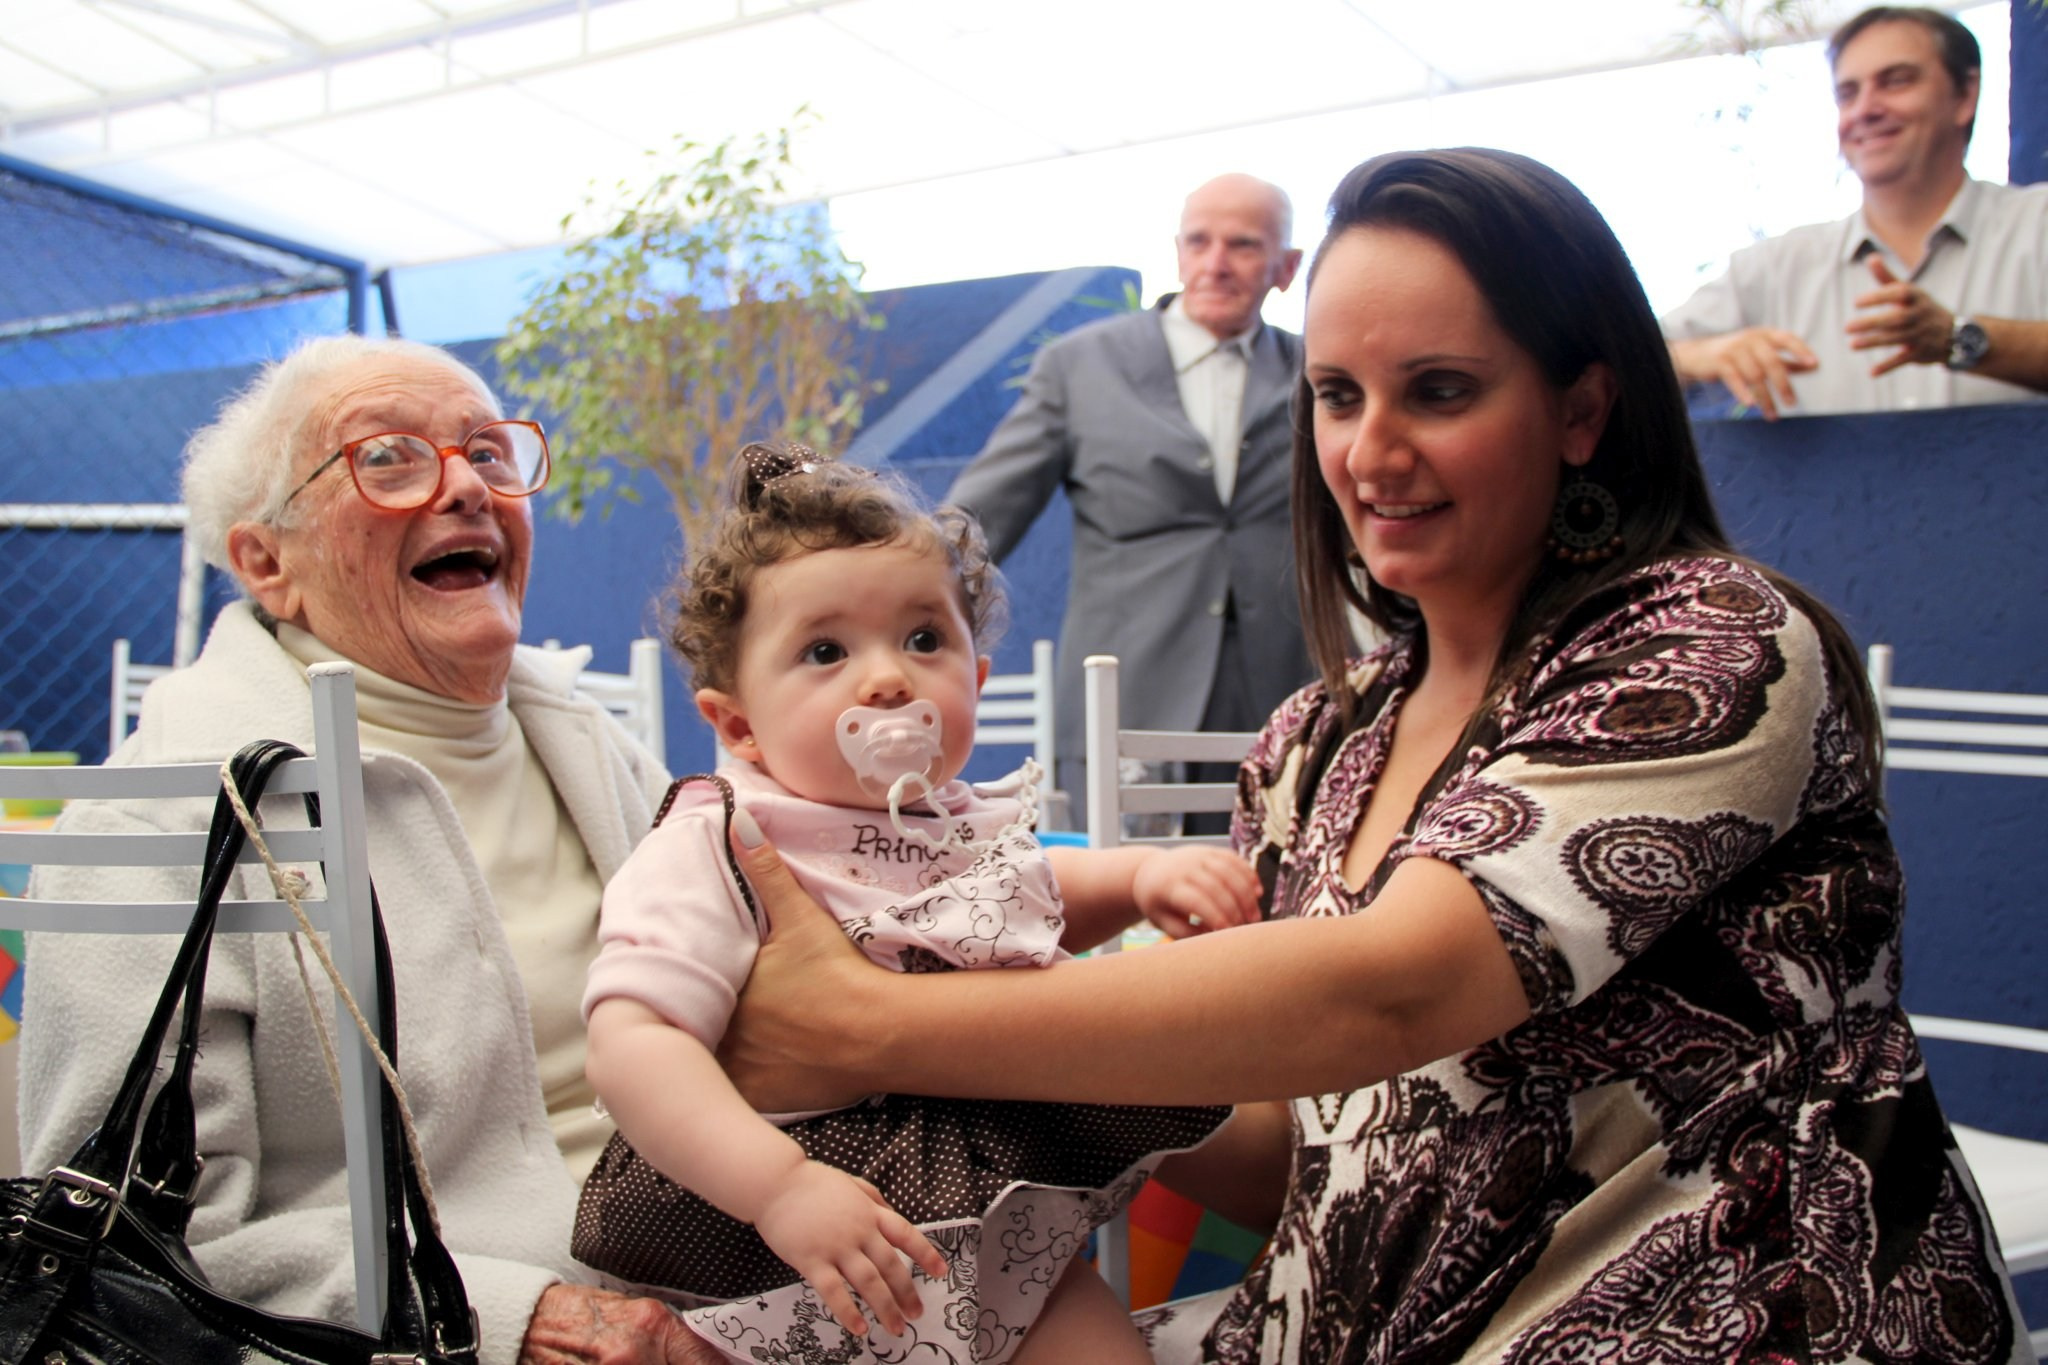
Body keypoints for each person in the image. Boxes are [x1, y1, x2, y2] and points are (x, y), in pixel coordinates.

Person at [709, 149, 2032, 1363]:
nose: (1370, 451)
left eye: (1438, 391)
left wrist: (876, 1028)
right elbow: (1282, 1145)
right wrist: (987, 1028)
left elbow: (1403, 986)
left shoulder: (1708, 642)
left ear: (1581, 408)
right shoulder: (1309, 745)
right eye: (1337, 395)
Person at [17, 334, 729, 1365]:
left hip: (726, 1272)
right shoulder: (170, 817)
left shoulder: (588, 744)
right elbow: (134, 1244)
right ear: (267, 562)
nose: (468, 487)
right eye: (387, 457)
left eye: (487, 452)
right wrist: (514, 1322)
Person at [575, 445, 1261, 1364]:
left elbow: (1025, 901)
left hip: (997, 1225)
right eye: (826, 651)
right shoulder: (725, 842)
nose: (889, 677)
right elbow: (631, 1043)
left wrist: (1138, 877)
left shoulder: (959, 822)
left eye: (925, 639)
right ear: (738, 723)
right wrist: (778, 1188)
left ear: (977, 679)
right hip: (796, 1247)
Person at [946, 173, 1314, 819]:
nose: (1216, 263)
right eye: (1199, 241)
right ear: (1177, 252)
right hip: (1126, 697)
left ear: (1286, 268)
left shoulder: (1318, 372)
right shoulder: (1079, 366)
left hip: (1285, 704)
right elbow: (977, 519)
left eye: (1243, 245)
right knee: (1127, 881)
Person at [1661, 5, 2048, 418]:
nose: (1866, 108)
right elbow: (1624, 360)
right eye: (1848, 93)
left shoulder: (2037, 224)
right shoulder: (1777, 268)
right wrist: (1700, 355)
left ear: (1965, 96)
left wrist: (1961, 338)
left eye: (1896, 81)